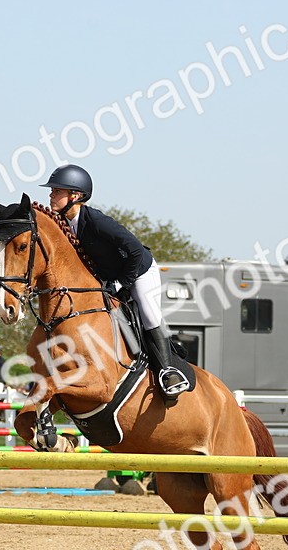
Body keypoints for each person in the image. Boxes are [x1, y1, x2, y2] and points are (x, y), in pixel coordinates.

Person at [41, 164, 190, 401]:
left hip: (139, 270)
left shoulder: (97, 221)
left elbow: (135, 250)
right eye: (52, 191)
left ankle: (168, 370)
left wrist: (124, 283)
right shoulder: (63, 223)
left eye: (57, 191)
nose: (51, 195)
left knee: (149, 315)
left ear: (75, 196)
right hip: (111, 277)